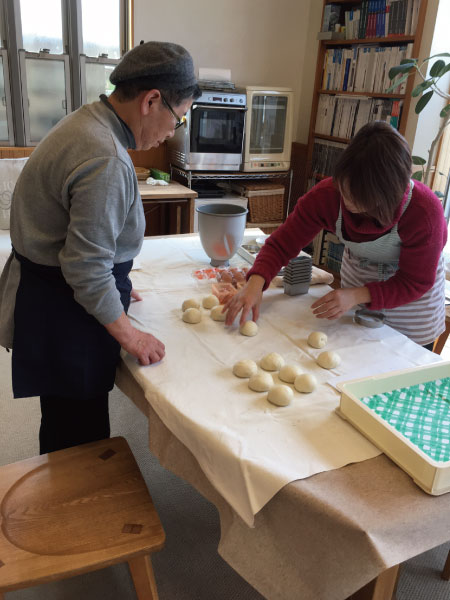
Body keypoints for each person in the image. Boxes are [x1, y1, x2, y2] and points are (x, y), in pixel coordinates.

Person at [0, 41, 201, 454]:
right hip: (65, 308)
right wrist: (132, 336)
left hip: (56, 293)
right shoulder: (105, 155)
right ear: (151, 101)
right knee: (78, 437)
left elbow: (83, 243)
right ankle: (73, 511)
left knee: (63, 418)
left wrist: (117, 282)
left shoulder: (88, 121)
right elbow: (86, 268)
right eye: (177, 120)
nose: (170, 132)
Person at [225, 121, 447, 350]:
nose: (347, 201)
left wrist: (358, 295)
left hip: (410, 310)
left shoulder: (424, 212)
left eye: (358, 198)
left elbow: (415, 280)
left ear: (387, 195)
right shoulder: (327, 195)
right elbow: (283, 243)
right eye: (344, 189)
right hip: (353, 296)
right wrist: (256, 282)